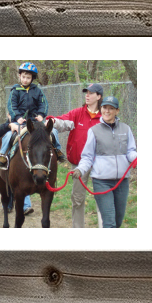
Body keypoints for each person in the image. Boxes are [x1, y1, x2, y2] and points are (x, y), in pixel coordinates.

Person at [0, 62, 65, 214]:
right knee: (8, 135)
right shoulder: (15, 91)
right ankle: (3, 156)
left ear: (32, 79)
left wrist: (41, 115)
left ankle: (58, 151)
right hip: (19, 121)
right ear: (19, 76)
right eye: (23, 76)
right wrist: (17, 117)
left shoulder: (37, 91)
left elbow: (43, 104)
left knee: (53, 133)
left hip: (35, 121)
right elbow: (11, 106)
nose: (25, 79)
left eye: (28, 77)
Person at [72, 95, 137, 228]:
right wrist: (80, 169)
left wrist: (136, 158)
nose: (107, 111)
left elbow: (130, 151)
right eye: (104, 108)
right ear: (101, 109)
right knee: (109, 222)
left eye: (111, 108)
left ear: (117, 111)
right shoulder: (94, 131)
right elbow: (87, 157)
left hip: (122, 182)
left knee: (118, 222)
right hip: (102, 181)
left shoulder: (126, 129)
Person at [46, 83, 103, 228]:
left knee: (102, 199)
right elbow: (63, 122)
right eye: (86, 92)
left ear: (99, 96)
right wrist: (52, 121)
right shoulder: (77, 113)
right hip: (79, 164)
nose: (87, 95)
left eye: (91, 93)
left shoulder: (105, 116)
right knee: (77, 199)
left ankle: (106, 229)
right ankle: (78, 231)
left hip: (100, 165)